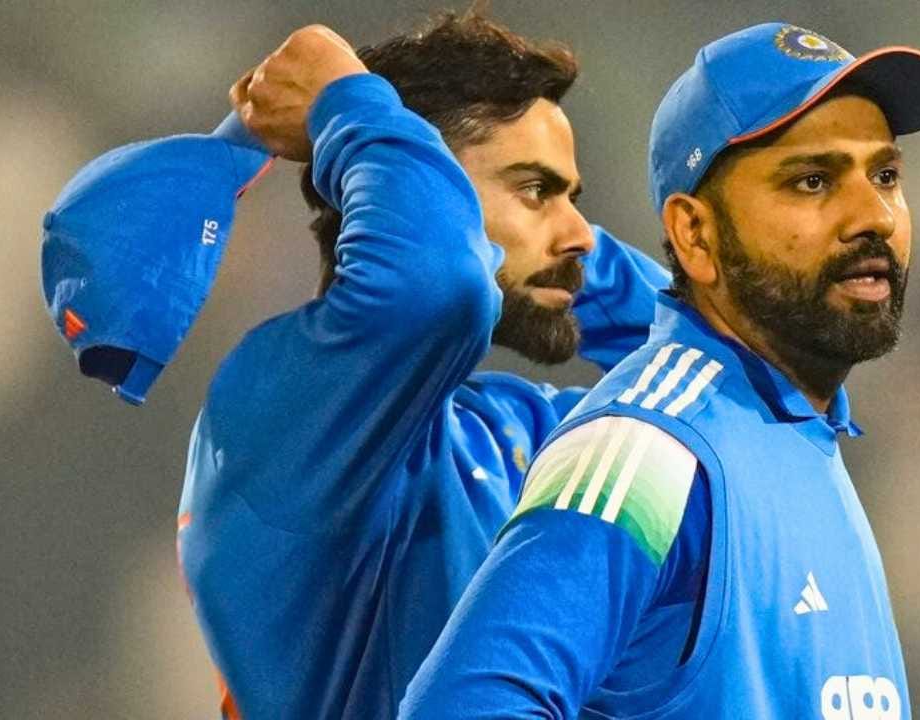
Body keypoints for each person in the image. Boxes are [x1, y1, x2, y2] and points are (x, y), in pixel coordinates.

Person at [400, 22, 920, 719]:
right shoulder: (649, 447)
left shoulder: (800, 433)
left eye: (885, 176)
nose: (872, 215)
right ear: (695, 234)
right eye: (813, 181)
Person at [176, 14, 667, 720]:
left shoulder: (516, 424)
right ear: (431, 197)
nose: (582, 234)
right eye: (536, 190)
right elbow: (435, 283)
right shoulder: (283, 409)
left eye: (572, 199)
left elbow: (714, 378)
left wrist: (556, 252)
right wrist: (348, 106)